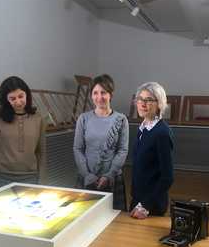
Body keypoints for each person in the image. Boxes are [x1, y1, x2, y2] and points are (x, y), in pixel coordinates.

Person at [73, 74, 129, 210]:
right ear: (91, 95)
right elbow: (77, 148)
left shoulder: (121, 119)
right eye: (95, 93)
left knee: (113, 220)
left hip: (112, 178)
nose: (99, 97)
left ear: (110, 94)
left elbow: (122, 150)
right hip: (87, 177)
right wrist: (87, 174)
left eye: (103, 92)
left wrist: (109, 175)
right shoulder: (83, 118)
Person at [0, 76, 46, 191]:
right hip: (2, 178)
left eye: (21, 96)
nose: (18, 102)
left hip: (30, 177)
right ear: (6, 100)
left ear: (27, 94)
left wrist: (42, 181)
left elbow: (41, 151)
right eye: (12, 99)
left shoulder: (38, 117)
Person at [130, 82, 174, 219]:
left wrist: (145, 205)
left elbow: (167, 178)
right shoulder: (143, 127)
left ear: (159, 104)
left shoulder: (162, 133)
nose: (142, 104)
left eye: (148, 100)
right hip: (138, 199)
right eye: (140, 99)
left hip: (151, 205)